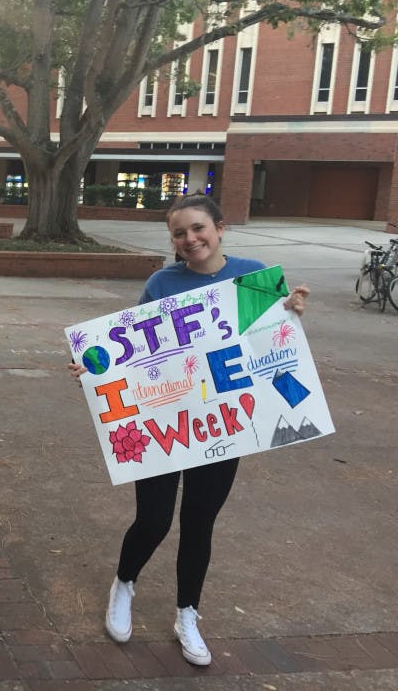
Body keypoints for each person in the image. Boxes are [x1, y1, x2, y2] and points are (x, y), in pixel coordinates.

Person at [68, 194, 310, 667]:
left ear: (220, 228)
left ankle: (187, 614)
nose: (190, 239)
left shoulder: (251, 277)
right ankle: (124, 584)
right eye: (179, 234)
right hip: (165, 421)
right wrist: (94, 365)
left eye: (198, 228)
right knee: (155, 519)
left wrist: (290, 313)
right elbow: (132, 349)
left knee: (200, 522)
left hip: (223, 423)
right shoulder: (162, 282)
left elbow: (269, 347)